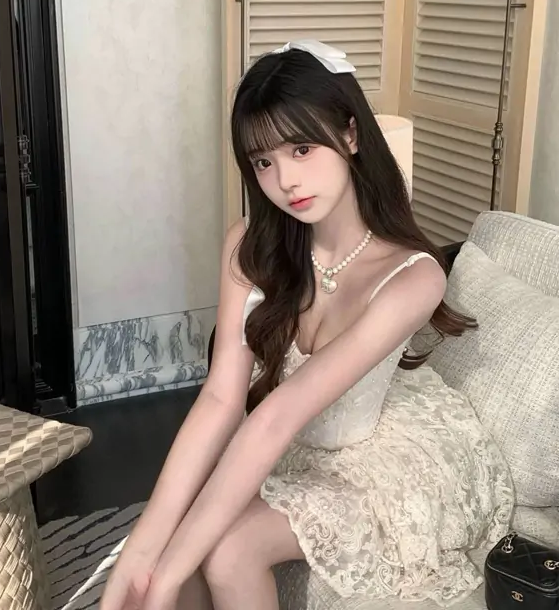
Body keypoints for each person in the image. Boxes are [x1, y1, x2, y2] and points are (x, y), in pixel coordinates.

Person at [100, 40, 513, 610]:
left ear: (350, 134)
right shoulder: (250, 245)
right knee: (167, 550)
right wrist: (144, 551)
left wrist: (167, 570)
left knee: (224, 551)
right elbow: (221, 398)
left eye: (301, 148)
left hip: (373, 464)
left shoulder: (414, 278)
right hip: (288, 443)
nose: (285, 180)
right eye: (263, 162)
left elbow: (278, 415)